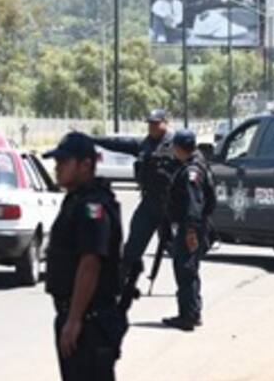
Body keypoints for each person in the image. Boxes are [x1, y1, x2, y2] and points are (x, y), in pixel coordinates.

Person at [43, 132, 126, 381]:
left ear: (86, 164)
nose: (57, 167)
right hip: (79, 314)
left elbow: (90, 264)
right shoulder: (78, 201)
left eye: (64, 161)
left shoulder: (94, 206)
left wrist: (75, 319)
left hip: (91, 318)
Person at [89, 110, 178, 300]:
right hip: (150, 203)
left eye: (156, 123)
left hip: (171, 206)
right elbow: (118, 144)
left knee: (179, 251)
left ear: (165, 123)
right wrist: (93, 139)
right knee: (132, 248)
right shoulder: (144, 144)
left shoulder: (176, 144)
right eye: (150, 123)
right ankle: (118, 287)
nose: (152, 127)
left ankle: (187, 295)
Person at [163, 129, 216, 331]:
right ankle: (192, 312)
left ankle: (188, 316)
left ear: (178, 147)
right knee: (189, 269)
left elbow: (193, 204)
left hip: (191, 227)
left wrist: (191, 232)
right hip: (193, 225)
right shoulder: (197, 162)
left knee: (185, 270)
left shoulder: (190, 172)